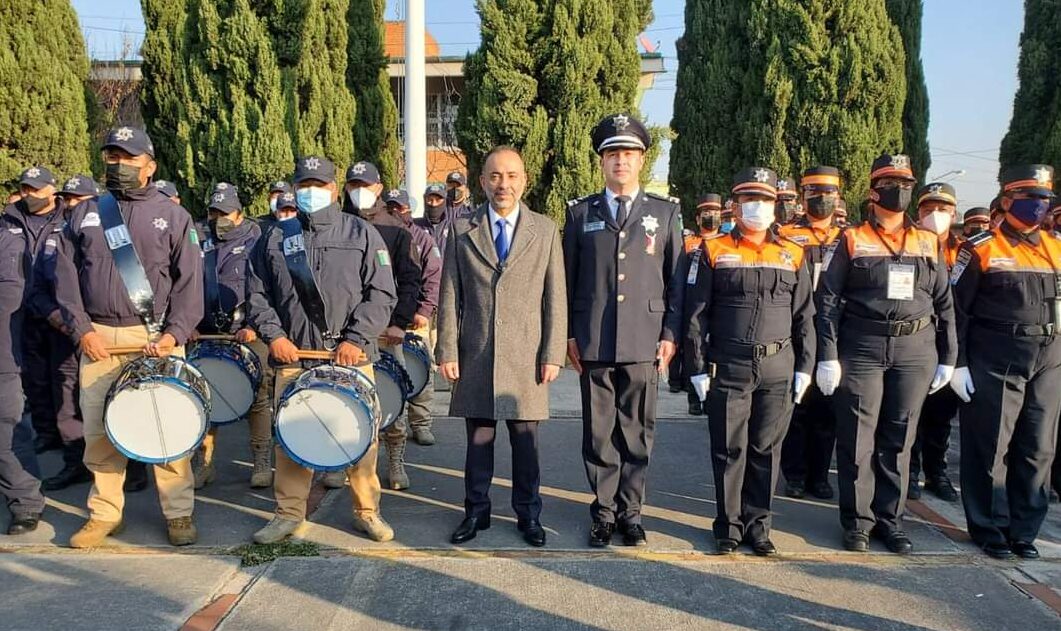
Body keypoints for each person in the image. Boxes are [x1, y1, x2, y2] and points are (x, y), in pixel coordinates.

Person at [50, 127, 204, 547]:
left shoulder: (174, 216)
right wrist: (82, 330)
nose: (119, 165)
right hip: (99, 339)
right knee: (99, 432)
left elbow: (190, 285)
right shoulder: (85, 213)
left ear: (149, 166)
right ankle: (104, 513)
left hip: (154, 338)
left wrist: (174, 334)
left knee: (166, 428)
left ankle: (178, 512)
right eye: (112, 157)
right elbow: (65, 278)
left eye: (129, 158)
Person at [247, 156, 397, 544]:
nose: (311, 191)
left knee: (360, 438)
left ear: (333, 188)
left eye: (318, 184)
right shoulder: (275, 238)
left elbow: (382, 294)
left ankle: (367, 512)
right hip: (295, 359)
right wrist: (274, 337)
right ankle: (287, 514)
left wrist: (356, 339)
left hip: (351, 359)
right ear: (295, 188)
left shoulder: (362, 233)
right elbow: (257, 295)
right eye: (304, 185)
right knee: (291, 439)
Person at [816, 153, 957, 555]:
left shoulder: (927, 241)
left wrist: (949, 356)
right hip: (863, 345)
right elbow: (827, 299)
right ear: (874, 191)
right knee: (858, 438)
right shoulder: (852, 238)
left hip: (915, 349)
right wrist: (828, 354)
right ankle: (858, 522)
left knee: (899, 437)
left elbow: (944, 302)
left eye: (907, 183)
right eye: (892, 183)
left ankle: (890, 520)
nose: (901, 190)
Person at [564, 113, 683, 547]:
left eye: (629, 153)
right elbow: (567, 279)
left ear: (642, 159)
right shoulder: (581, 213)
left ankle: (631, 513)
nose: (621, 161)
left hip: (644, 338)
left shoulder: (665, 213)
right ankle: (603, 512)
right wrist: (569, 335)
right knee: (599, 433)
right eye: (613, 153)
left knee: (637, 431)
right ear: (601, 161)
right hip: (594, 338)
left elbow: (676, 281)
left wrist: (670, 333)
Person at [438, 146, 566, 547]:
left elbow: (555, 297)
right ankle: (476, 512)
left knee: (526, 444)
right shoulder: (463, 229)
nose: (503, 184)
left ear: (524, 180)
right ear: (482, 181)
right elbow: (449, 294)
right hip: (477, 352)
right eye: (495, 176)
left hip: (526, 356)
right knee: (478, 442)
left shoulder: (544, 230)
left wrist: (553, 353)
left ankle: (529, 514)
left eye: (511, 176)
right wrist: (447, 350)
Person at [684, 167, 815, 555]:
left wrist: (806, 366)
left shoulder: (792, 252)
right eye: (749, 199)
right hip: (729, 364)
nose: (756, 206)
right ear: (735, 205)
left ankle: (758, 526)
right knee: (729, 449)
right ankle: (728, 525)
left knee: (765, 449)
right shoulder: (713, 250)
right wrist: (696, 368)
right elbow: (696, 315)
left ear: (775, 205)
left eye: (764, 200)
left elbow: (805, 315)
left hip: (778, 365)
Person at [950, 164, 1060, 560]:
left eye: (1045, 198)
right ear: (1008, 199)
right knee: (991, 444)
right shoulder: (981, 246)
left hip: (1049, 356)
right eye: (1030, 197)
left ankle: (1024, 530)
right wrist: (957, 361)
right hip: (996, 353)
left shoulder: (1056, 246)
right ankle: (989, 526)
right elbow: (956, 310)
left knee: (1038, 446)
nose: (1039, 205)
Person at [189, 183, 273, 490]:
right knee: (204, 395)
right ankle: (204, 463)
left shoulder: (258, 238)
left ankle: (261, 460)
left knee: (257, 396)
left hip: (248, 331)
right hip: (206, 332)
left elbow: (268, 287)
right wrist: (189, 324)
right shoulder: (199, 239)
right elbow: (186, 283)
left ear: (239, 213)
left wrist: (255, 325)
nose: (218, 219)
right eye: (214, 212)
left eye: (225, 213)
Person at [343, 166, 422, 492]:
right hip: (345, 335)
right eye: (353, 184)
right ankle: (344, 461)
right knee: (345, 400)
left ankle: (395, 460)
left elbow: (410, 280)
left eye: (365, 184)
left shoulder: (396, 229)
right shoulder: (337, 225)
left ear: (379, 187)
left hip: (385, 332)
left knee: (393, 397)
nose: (359, 190)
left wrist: (399, 322)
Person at [778, 166, 845, 500]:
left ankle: (819, 475)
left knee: (827, 409)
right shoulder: (786, 234)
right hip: (796, 327)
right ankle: (795, 474)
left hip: (835, 331)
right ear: (803, 197)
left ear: (838, 196)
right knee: (797, 405)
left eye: (828, 193)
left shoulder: (847, 236)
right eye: (814, 192)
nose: (821, 198)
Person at [4, 167, 68, 460]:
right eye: (25, 189)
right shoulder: (9, 222)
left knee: (64, 381)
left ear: (52, 190)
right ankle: (46, 434)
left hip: (61, 313)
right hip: (24, 313)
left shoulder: (67, 220)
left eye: (36, 189)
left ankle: (73, 446)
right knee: (34, 378)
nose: (30, 194)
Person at [908, 182, 963, 502]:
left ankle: (936, 473)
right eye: (929, 209)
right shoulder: (909, 244)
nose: (936, 215)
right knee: (911, 412)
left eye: (943, 209)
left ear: (954, 213)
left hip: (952, 342)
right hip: (918, 341)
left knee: (941, 416)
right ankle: (910, 471)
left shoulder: (965, 250)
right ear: (918, 213)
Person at [0, 176, 47, 535]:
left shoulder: (8, 239)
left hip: (3, 354)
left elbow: (11, 296)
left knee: (8, 430)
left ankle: (25, 502)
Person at [384, 189, 443, 447]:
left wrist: (425, 310)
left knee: (421, 372)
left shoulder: (422, 238)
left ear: (408, 208)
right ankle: (389, 423)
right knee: (390, 373)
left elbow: (434, 277)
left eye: (400, 207)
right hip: (386, 320)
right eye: (391, 207)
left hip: (416, 318)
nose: (395, 212)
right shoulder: (378, 233)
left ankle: (421, 424)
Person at [677, 194, 723, 412]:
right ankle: (694, 396)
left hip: (717, 304)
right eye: (706, 213)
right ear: (698, 218)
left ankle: (713, 396)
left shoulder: (726, 243)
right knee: (693, 348)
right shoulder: (688, 244)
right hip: (691, 302)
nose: (710, 217)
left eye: (714, 213)